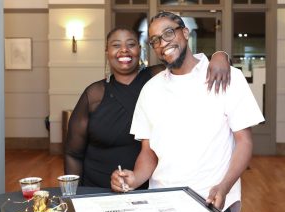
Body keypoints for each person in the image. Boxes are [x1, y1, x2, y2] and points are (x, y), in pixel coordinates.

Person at [110, 12, 264, 212]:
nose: (162, 43)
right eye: (155, 40)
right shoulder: (150, 90)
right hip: (162, 202)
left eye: (168, 33)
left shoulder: (227, 77)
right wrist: (134, 178)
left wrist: (224, 186)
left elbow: (244, 142)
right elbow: (148, 152)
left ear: (185, 32)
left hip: (211, 200)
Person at [64, 26, 231, 189]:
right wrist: (74, 195)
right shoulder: (94, 94)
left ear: (139, 49)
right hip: (97, 187)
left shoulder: (159, 77)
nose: (124, 50)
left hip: (150, 186)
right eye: (116, 45)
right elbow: (73, 153)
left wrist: (220, 56)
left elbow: (192, 64)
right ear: (107, 51)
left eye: (130, 44)